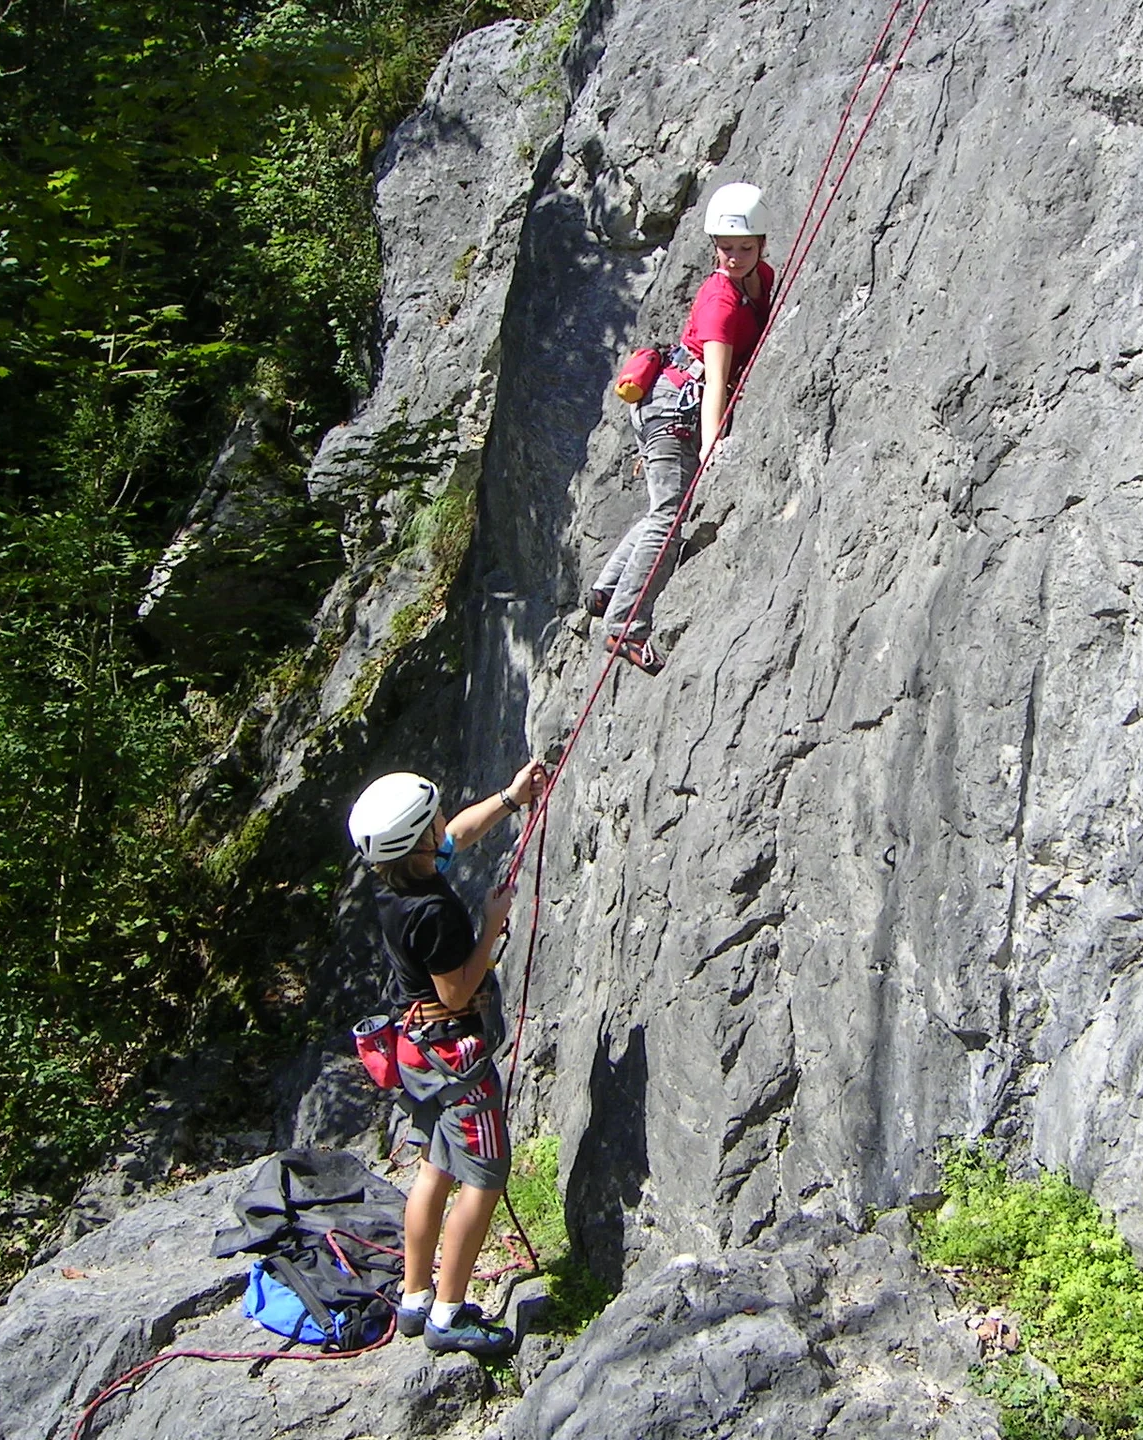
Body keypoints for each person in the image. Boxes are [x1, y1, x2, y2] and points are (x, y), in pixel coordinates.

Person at [345, 759, 543, 1356]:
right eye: (433, 818)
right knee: (483, 1177)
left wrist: (510, 797)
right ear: (418, 838)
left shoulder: (397, 884)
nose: (443, 823)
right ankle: (449, 1314)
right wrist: (491, 926)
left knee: (435, 1166)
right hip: (455, 1061)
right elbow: (456, 992)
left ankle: (414, 1298)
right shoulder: (436, 912)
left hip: (416, 1058)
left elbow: (457, 833)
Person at [589, 181, 776, 674]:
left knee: (664, 506)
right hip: (674, 406)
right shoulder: (721, 301)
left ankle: (607, 587)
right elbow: (715, 380)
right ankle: (624, 626)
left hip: (672, 400)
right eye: (725, 248)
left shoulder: (761, 278)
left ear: (761, 245)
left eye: (744, 248)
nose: (733, 258)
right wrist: (714, 445)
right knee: (671, 515)